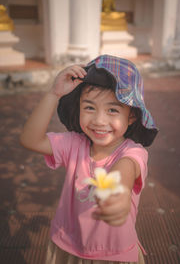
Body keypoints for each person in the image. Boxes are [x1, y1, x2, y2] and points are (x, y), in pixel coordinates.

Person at [20, 54, 158, 264]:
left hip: (113, 254)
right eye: (90, 107)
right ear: (79, 108)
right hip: (68, 245)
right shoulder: (74, 144)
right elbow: (30, 140)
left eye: (113, 110)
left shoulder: (133, 153)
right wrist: (53, 94)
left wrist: (117, 195)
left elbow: (125, 171)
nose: (99, 120)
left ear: (131, 116)